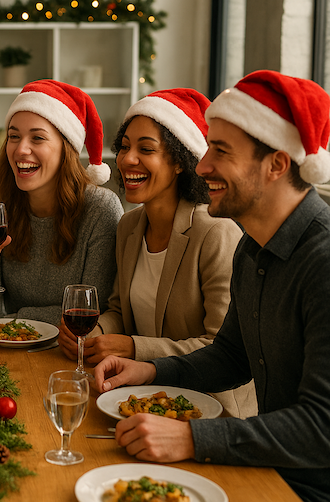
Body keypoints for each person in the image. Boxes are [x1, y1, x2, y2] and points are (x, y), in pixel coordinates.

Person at [94, 70, 330, 502]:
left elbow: (321, 427)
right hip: (266, 466)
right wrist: (151, 370)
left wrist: (193, 439)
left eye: (219, 151)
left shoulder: (323, 261)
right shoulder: (254, 246)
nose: (201, 166)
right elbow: (231, 355)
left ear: (277, 164)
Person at [58, 89, 256, 418]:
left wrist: (134, 346)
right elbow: (119, 309)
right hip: (140, 401)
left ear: (180, 161)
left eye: (145, 149)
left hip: (210, 410)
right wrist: (97, 333)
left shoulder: (216, 234)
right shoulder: (130, 226)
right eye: (124, 147)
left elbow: (223, 349)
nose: (127, 159)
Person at [0, 80, 123, 325]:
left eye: (37, 138)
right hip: (7, 346)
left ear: (65, 149)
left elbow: (88, 312)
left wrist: (14, 317)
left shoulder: (101, 210)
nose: (21, 149)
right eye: (14, 136)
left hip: (66, 351)